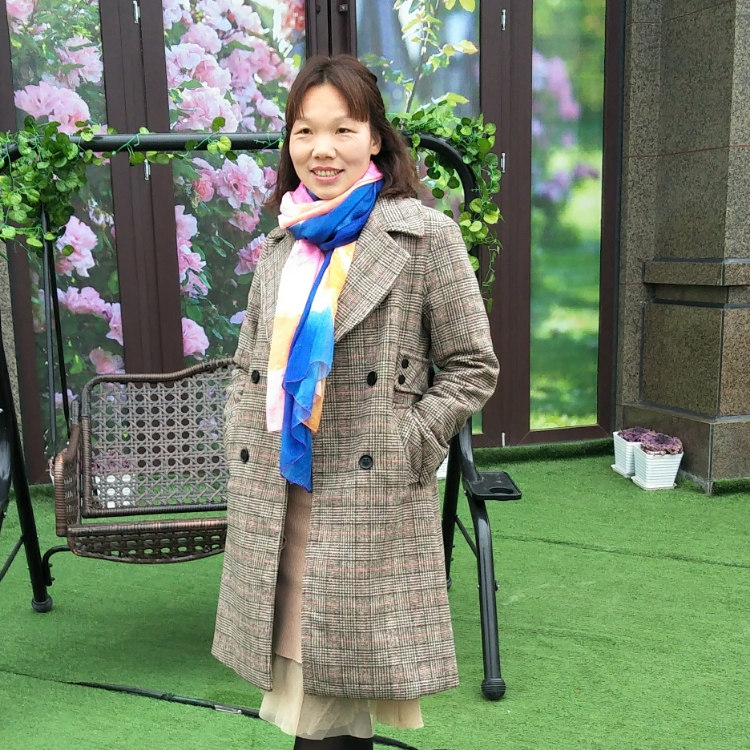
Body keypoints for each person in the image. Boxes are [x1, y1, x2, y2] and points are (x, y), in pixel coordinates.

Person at [212, 54, 498, 750]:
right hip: (281, 488)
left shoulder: (423, 236)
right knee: (302, 685)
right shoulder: (282, 243)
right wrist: (238, 432)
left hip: (365, 496)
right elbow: (250, 363)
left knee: (339, 696)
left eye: (343, 129)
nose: (323, 149)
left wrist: (408, 443)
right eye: (305, 131)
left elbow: (472, 367)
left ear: (374, 138)